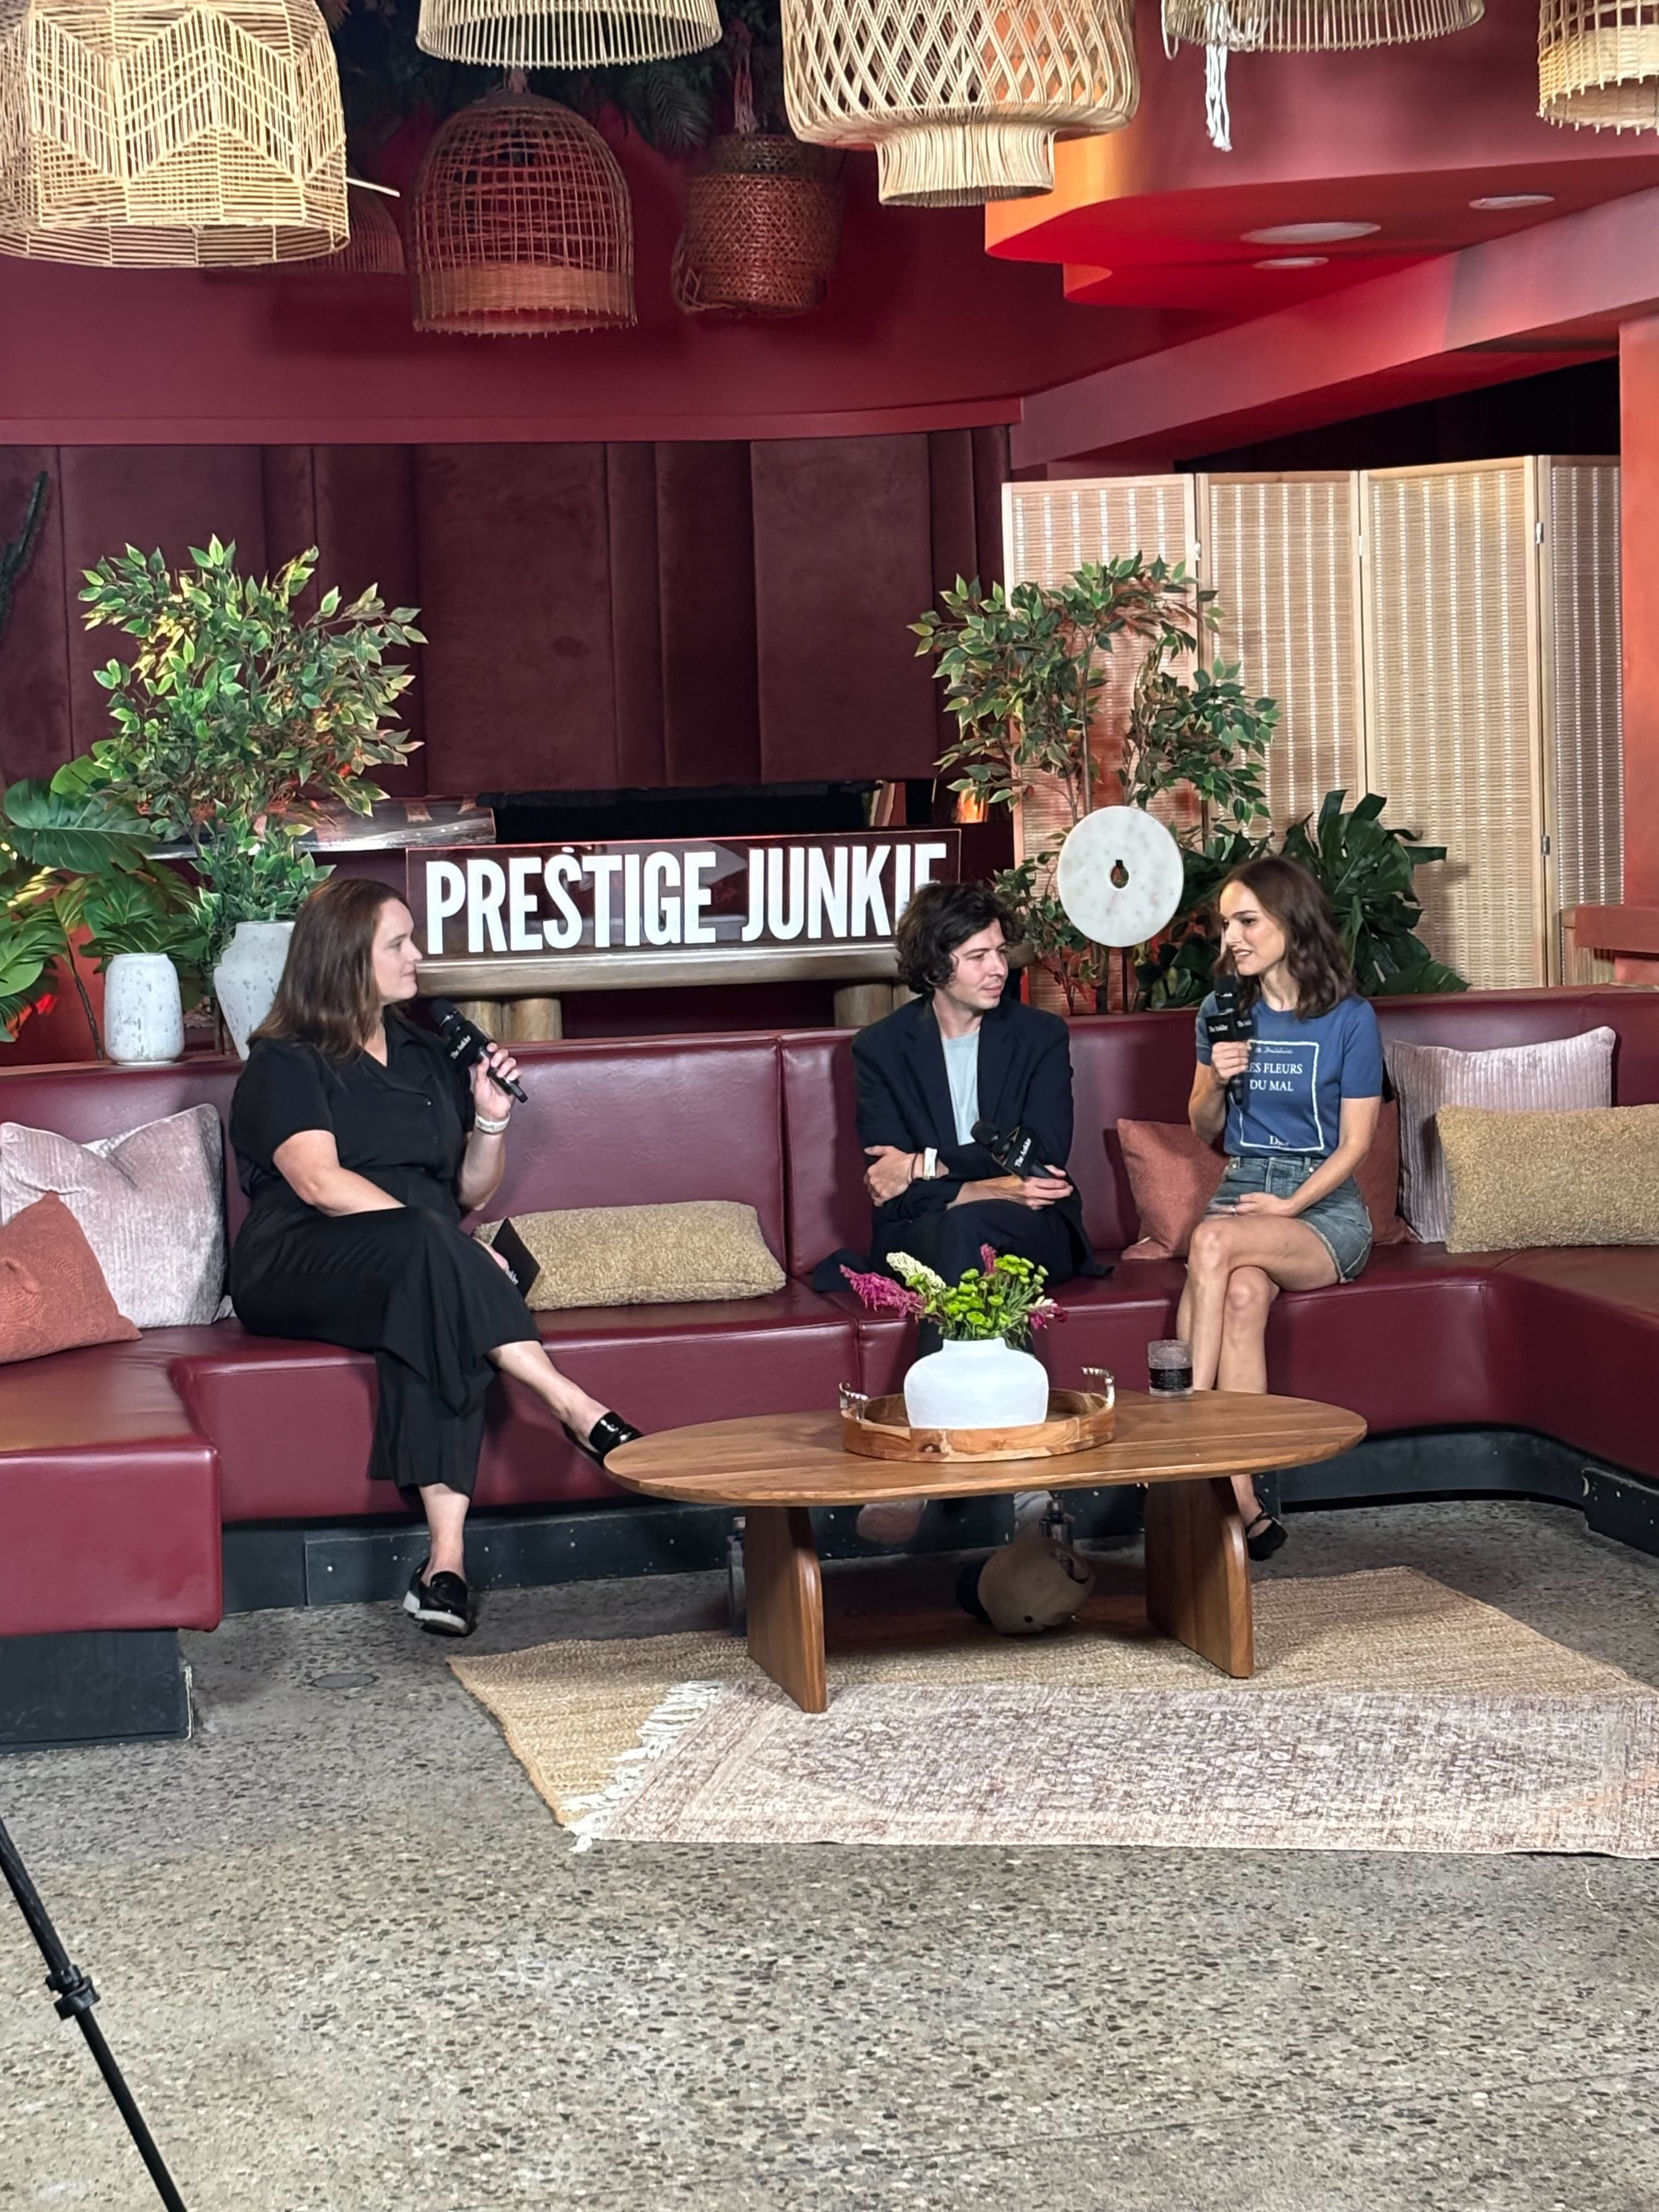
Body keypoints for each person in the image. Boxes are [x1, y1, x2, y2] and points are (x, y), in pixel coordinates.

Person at [228, 876, 642, 1639]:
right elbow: (319, 1183)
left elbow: (466, 1193)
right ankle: (572, 1405)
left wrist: (490, 1121)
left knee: (427, 1298)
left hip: (413, 1260)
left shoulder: (424, 1054)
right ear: (346, 958)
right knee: (429, 1254)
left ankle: (444, 1567)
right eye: (398, 944)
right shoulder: (285, 1060)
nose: (417, 956)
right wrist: (452, 1248)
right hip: (299, 1259)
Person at [848, 878, 1097, 1542]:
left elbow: (1043, 1155)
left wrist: (926, 1164)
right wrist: (985, 1186)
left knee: (965, 1230)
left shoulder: (1039, 1036)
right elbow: (887, 1182)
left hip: (1036, 1226)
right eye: (978, 956)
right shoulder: (879, 1049)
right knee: (963, 1228)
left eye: (1000, 952)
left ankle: (923, 1463)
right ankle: (1027, 1481)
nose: (998, 968)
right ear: (936, 967)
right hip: (922, 1232)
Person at [1183, 856, 1383, 1561]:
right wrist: (1218, 1078)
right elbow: (1203, 1127)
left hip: (1322, 1205)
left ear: (1291, 924)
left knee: (1211, 1243)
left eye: (1247, 922)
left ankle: (1181, 1435)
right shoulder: (1221, 1013)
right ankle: (1242, 1499)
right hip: (1244, 1185)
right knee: (1240, 1294)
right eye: (1225, 925)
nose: (1231, 938)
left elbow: (1357, 1144)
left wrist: (1290, 1205)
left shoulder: (1350, 1019)